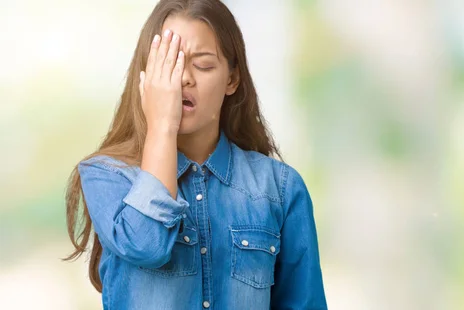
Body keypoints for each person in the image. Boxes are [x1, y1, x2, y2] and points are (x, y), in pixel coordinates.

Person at [64, 0, 327, 309]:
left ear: (231, 79)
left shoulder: (281, 188)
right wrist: (162, 126)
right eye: (169, 63)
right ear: (146, 76)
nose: (184, 78)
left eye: (202, 65)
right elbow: (147, 246)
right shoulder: (106, 176)